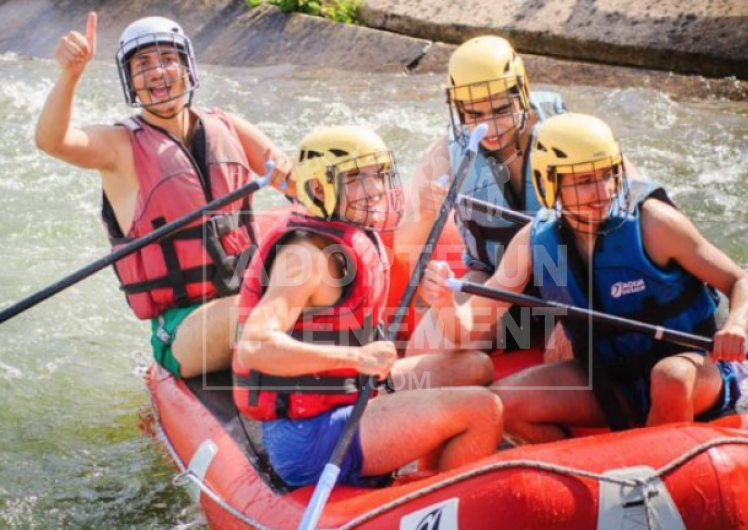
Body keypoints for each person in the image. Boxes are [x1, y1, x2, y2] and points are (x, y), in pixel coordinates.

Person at [419, 113, 748, 442]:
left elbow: (743, 284)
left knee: (669, 378)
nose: (602, 190)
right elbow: (467, 327)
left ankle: (653, 467)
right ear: (548, 182)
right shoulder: (535, 242)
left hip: (693, 370)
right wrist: (445, 302)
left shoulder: (653, 224)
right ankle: (581, 472)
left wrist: (736, 326)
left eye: (607, 175)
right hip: (610, 377)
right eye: (584, 181)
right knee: (499, 404)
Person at [233, 126, 502, 487]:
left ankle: (424, 477)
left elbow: (364, 290)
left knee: (474, 367)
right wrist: (357, 360)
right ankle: (431, 500)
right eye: (357, 178)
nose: (374, 189)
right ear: (317, 188)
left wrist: (426, 254)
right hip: (310, 436)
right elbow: (255, 346)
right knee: (484, 411)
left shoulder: (347, 231)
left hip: (347, 396)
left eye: (377, 175)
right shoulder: (304, 257)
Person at [34, 13, 293, 378]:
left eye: (168, 59)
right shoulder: (119, 147)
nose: (158, 72)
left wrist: (294, 173)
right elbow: (51, 141)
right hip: (182, 327)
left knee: (310, 276)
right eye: (143, 65)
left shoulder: (227, 126)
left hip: (249, 296)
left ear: (187, 69)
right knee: (262, 305)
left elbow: (299, 182)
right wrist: (70, 75)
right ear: (132, 83)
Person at [397, 35, 571, 358]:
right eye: (474, 115)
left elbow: (634, 204)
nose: (489, 128)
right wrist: (423, 215)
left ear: (522, 93)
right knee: (423, 350)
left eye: (501, 110)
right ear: (458, 109)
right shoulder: (445, 152)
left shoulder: (568, 132)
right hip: (492, 279)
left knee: (563, 355)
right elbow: (403, 245)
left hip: (568, 285)